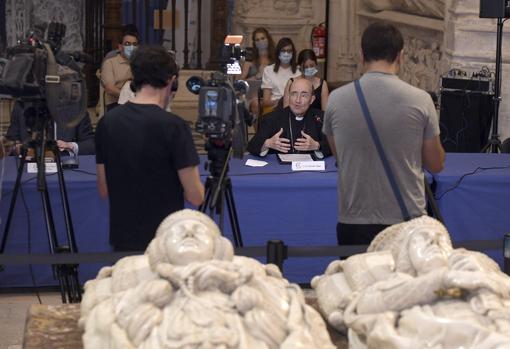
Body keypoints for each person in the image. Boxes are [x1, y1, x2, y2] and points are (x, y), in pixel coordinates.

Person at [80, 209, 336, 349]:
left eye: (200, 230)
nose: (189, 230)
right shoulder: (137, 294)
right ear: (159, 250)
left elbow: (290, 327)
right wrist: (146, 296)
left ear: (219, 248)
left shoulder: (249, 283)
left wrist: (238, 285)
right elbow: (106, 325)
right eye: (177, 231)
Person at [323, 22, 445, 246]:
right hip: (406, 218)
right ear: (401, 56)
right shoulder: (421, 100)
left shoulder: (336, 100)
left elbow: (340, 156)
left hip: (354, 218)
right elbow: (435, 164)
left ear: (361, 55)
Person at [312, 216, 510, 348]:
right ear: (404, 253)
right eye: (422, 239)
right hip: (451, 333)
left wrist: (481, 277)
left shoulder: (472, 266)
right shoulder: (394, 284)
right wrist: (444, 280)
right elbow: (368, 304)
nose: (434, 242)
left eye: (441, 239)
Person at [95, 45, 204, 251]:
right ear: (171, 81)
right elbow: (195, 196)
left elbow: (104, 188)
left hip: (123, 238)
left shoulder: (107, 122)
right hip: (166, 242)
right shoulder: (175, 127)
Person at [247, 78, 331, 158]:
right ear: (288, 96)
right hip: (279, 170)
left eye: (304, 95)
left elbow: (337, 146)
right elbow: (252, 147)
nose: (298, 100)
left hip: (312, 170)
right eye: (294, 94)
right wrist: (267, 143)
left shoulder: (321, 118)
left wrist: (317, 145)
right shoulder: (271, 118)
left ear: (312, 99)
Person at [6, 100, 95, 155]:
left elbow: (91, 144)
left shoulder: (76, 106)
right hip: (28, 168)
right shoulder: (22, 105)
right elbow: (11, 141)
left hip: (65, 168)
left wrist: (70, 146)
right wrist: (17, 148)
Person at [100, 25, 139, 112]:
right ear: (120, 47)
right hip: (116, 103)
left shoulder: (142, 62)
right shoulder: (110, 63)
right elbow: (110, 88)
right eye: (127, 44)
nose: (131, 47)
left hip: (139, 103)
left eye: (135, 44)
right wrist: (129, 97)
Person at [261, 37, 301, 114]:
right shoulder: (268, 70)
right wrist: (280, 103)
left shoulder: (298, 72)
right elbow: (266, 101)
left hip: (293, 109)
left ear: (293, 53)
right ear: (278, 52)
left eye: (289, 51)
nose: (286, 53)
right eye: (283, 51)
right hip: (273, 109)